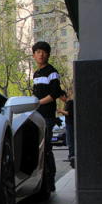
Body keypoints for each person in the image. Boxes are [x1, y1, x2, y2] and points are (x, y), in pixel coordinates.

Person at [31, 41, 65, 192]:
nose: (41, 54)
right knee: (40, 150)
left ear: (48, 54)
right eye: (38, 52)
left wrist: (38, 103)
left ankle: (50, 182)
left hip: (48, 118)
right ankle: (43, 181)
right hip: (37, 116)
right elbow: (35, 94)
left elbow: (55, 93)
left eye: (44, 52)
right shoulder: (36, 73)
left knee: (47, 149)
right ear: (34, 55)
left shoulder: (52, 71)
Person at [58, 91, 75, 163]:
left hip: (71, 124)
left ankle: (72, 155)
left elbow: (69, 113)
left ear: (64, 96)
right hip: (68, 124)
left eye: (61, 97)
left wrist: (61, 111)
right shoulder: (67, 103)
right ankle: (71, 155)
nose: (61, 99)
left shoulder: (70, 102)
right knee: (69, 140)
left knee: (70, 140)